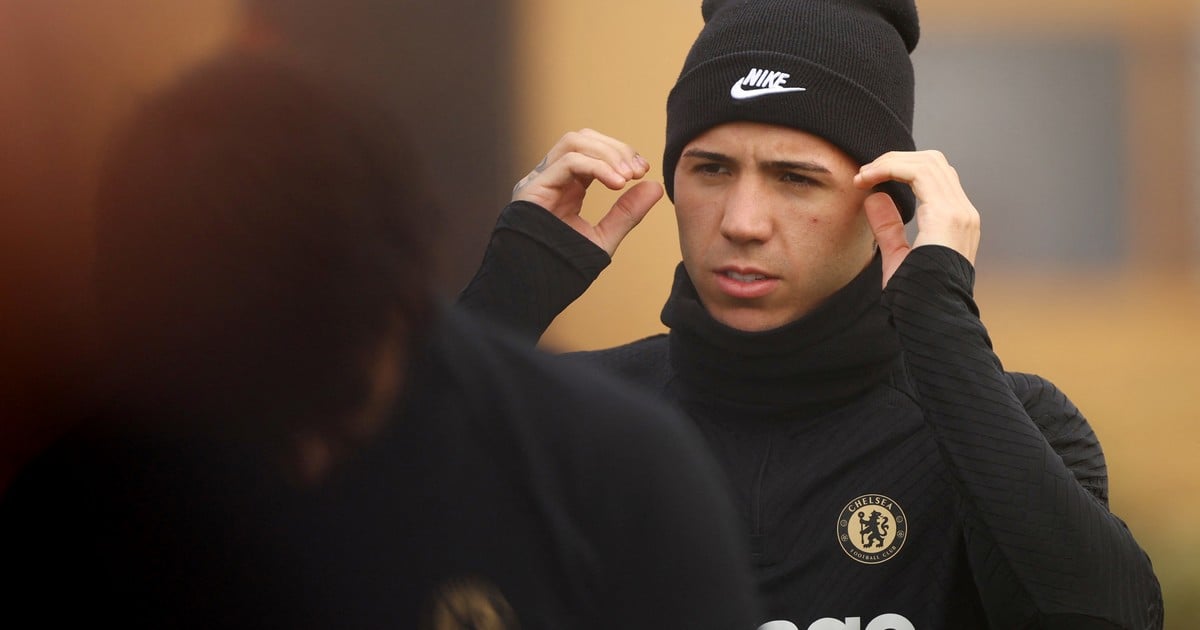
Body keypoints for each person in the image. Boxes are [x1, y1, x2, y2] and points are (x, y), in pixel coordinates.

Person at [458, 0, 1164, 628]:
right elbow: (397, 559)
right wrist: (500, 306)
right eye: (712, 169)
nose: (742, 222)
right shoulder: (570, 420)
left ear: (885, 201)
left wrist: (943, 331)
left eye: (795, 179)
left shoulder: (1011, 425)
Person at [0, 52, 761, 629]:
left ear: (403, 302)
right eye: (238, 424)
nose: (304, 461)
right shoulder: (76, 507)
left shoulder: (608, 469)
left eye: (340, 409)